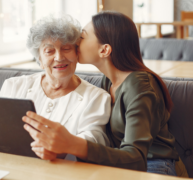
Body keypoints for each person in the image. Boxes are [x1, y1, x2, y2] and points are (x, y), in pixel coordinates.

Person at [23, 11, 179, 176]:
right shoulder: (109, 81)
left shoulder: (140, 86)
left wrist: (72, 144)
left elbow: (137, 158)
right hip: (120, 165)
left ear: (104, 50)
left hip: (153, 168)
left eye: (82, 37)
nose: (76, 42)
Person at [0, 14, 111, 160]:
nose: (59, 57)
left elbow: (93, 142)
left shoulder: (96, 97)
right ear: (39, 58)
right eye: (49, 51)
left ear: (77, 53)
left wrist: (60, 150)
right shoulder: (14, 86)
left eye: (66, 48)